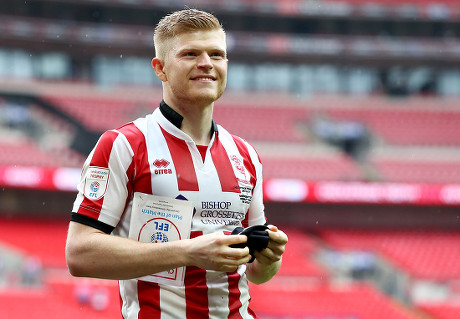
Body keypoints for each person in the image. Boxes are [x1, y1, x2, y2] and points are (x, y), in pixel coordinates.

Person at [65, 8, 288, 319]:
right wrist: (188, 252)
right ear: (160, 68)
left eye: (216, 54)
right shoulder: (125, 144)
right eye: (190, 53)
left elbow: (257, 274)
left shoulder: (246, 155)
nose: (206, 63)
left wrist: (269, 256)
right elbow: (79, 255)